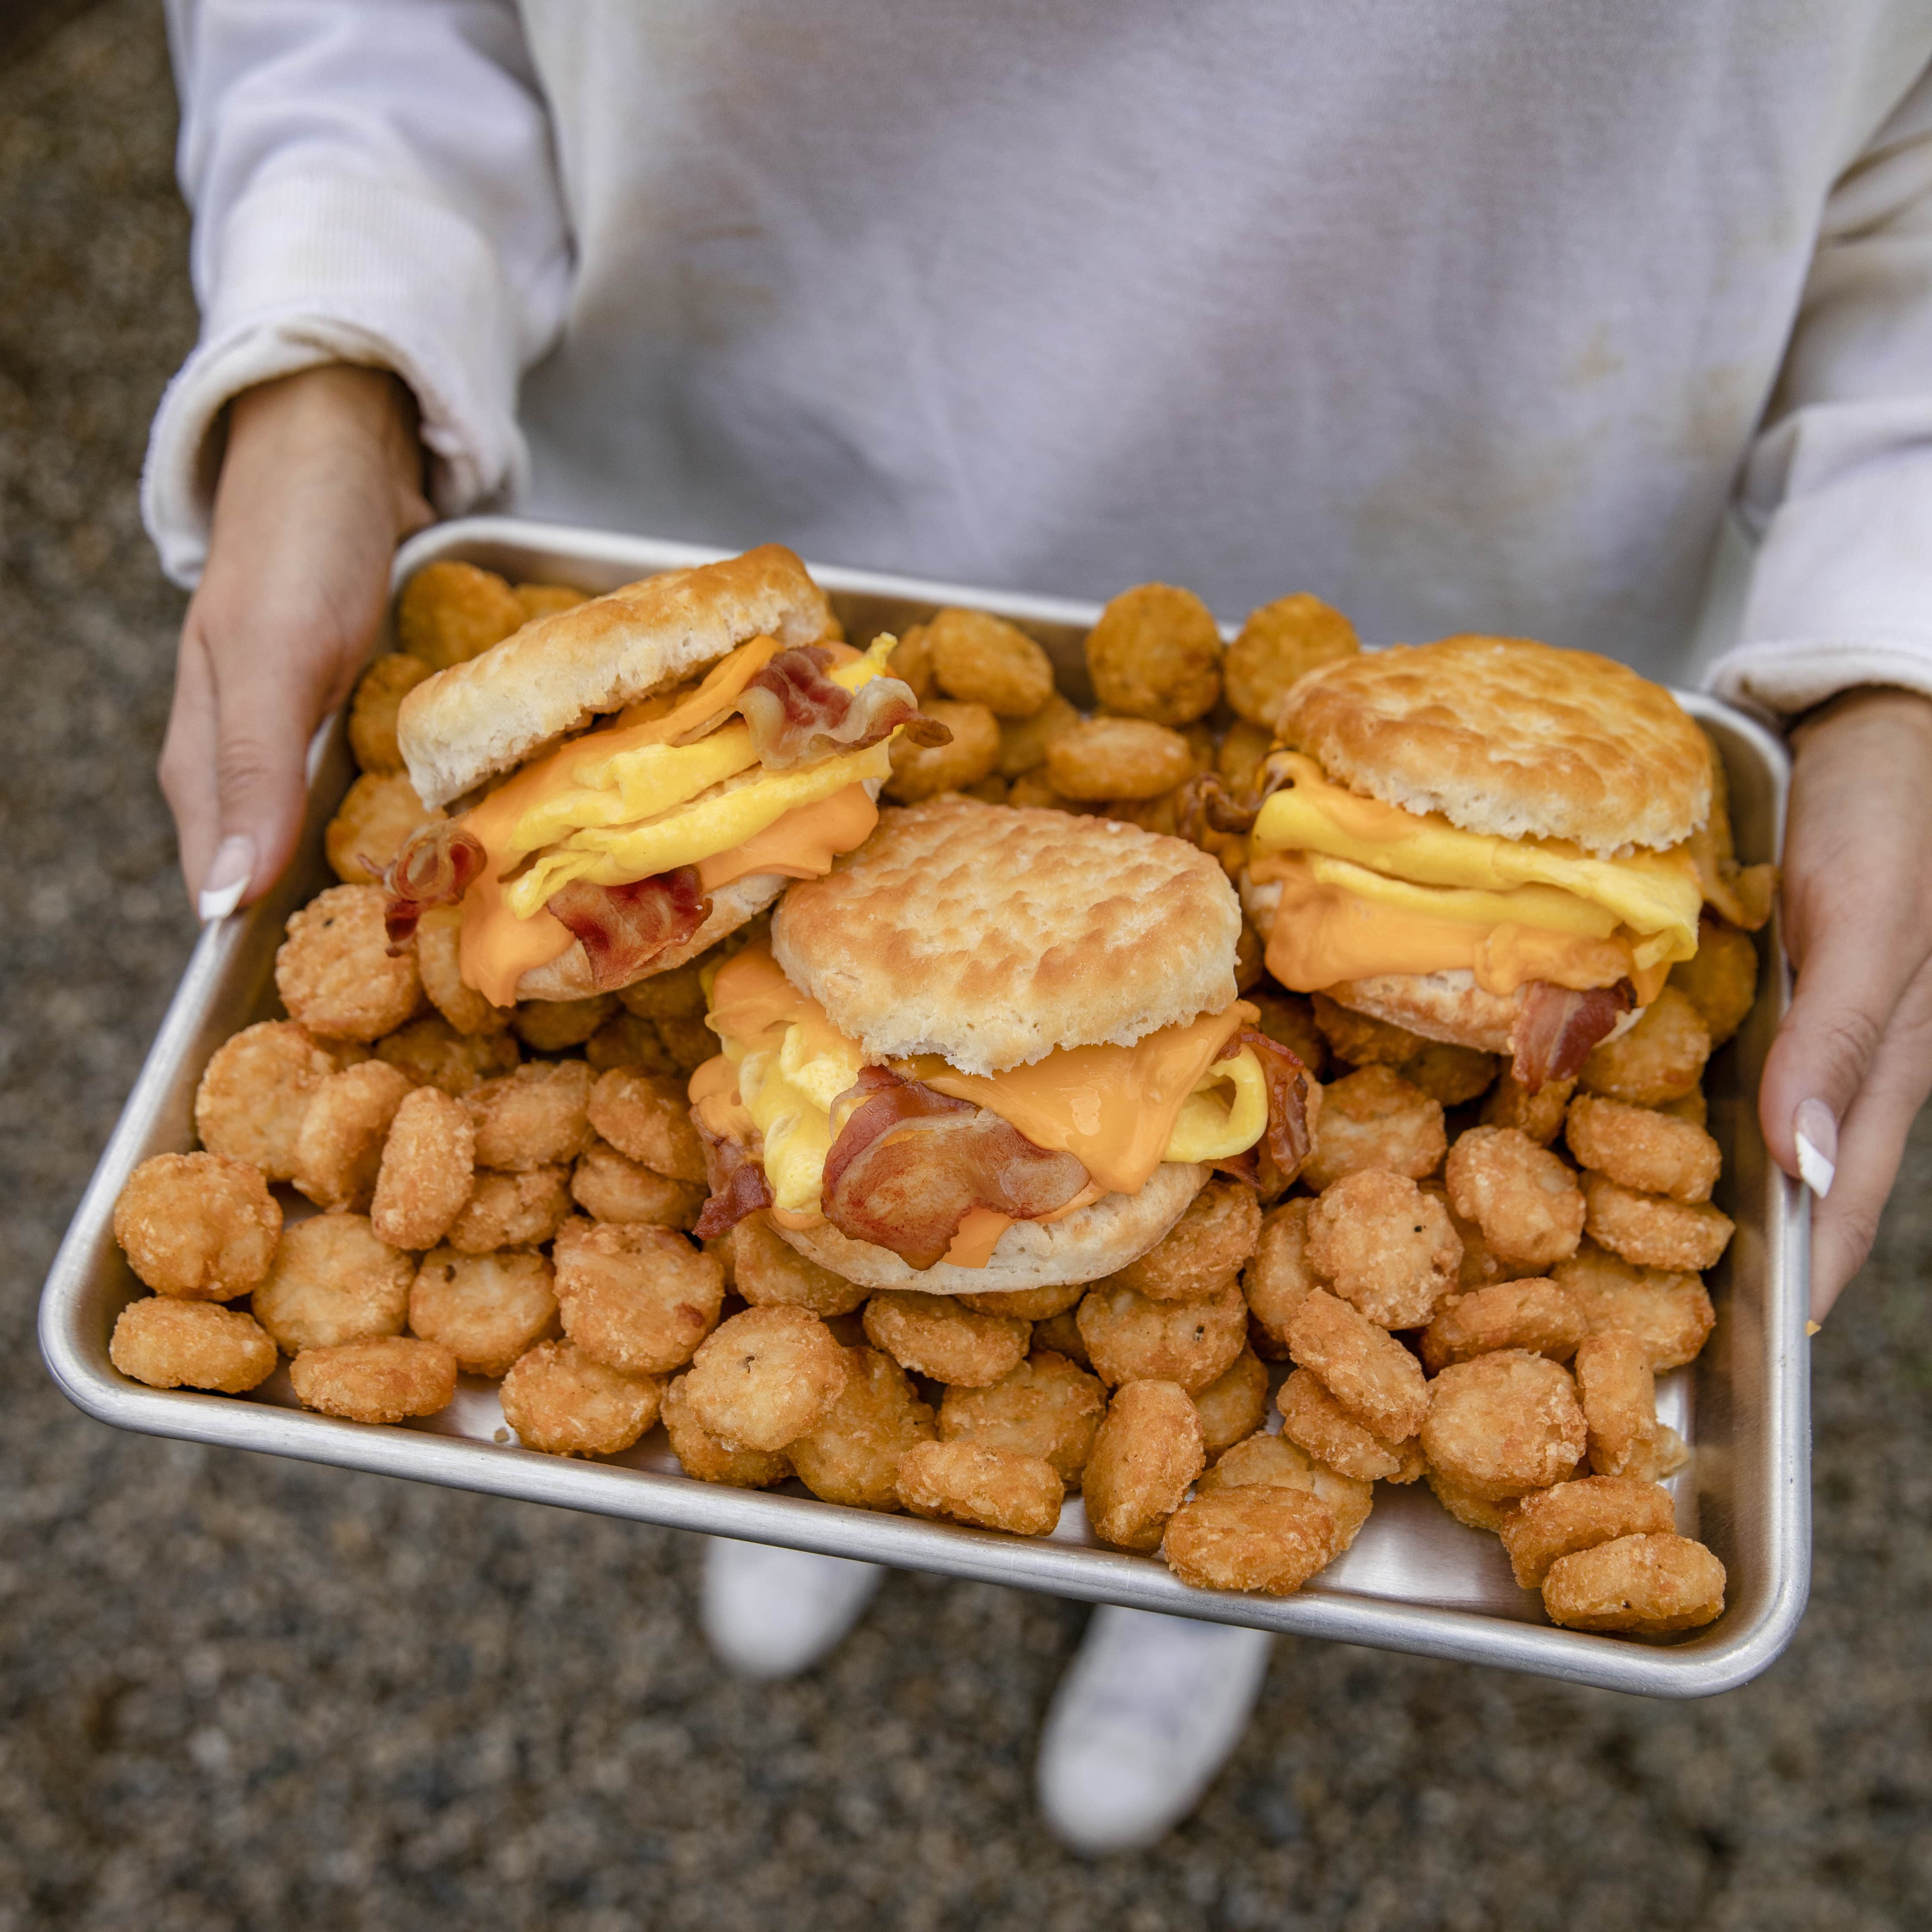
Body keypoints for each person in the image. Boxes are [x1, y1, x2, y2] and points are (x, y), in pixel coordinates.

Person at [146, 1, 1932, 1854]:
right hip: (718, 472)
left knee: (1193, 1413)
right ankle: (812, 1486)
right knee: (850, 1357)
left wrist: (1897, 640)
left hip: (1508, 552)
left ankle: (1183, 1574)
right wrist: (332, 349)